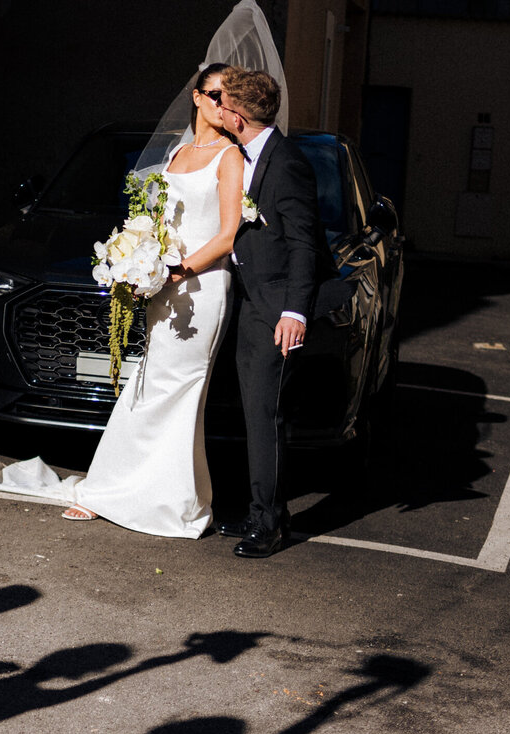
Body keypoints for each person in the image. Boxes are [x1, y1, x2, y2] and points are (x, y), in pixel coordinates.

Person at [55, 62, 244, 539]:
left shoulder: (230, 158)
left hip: (202, 288)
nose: (225, 105)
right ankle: (113, 488)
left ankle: (170, 501)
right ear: (197, 97)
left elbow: (227, 236)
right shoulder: (178, 151)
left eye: (232, 97)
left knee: (182, 389)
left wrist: (180, 270)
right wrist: (139, 259)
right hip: (164, 286)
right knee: (149, 381)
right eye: (217, 95)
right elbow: (159, 223)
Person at [214, 68, 322, 558]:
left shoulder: (288, 163)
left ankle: (269, 525)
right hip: (248, 299)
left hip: (276, 306)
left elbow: (304, 243)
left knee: (265, 415)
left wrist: (295, 312)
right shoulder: (243, 154)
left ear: (237, 117)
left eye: (223, 105)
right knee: (251, 412)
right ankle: (263, 510)